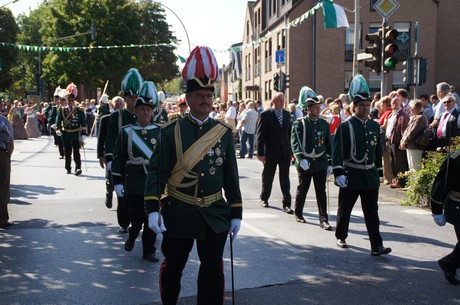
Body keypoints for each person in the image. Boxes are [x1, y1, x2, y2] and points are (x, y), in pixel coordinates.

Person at [144, 46, 242, 305]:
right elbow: (156, 174)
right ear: (187, 98)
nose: (206, 101)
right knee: (174, 267)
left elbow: (231, 177)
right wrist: (153, 209)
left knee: (212, 271)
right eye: (199, 95)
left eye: (209, 96)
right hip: (179, 212)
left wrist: (236, 212)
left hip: (214, 214)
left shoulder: (222, 132)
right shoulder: (170, 132)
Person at [332, 74, 391, 256]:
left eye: (368, 105)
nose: (366, 108)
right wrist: (338, 172)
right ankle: (341, 235)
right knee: (345, 209)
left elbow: (377, 150)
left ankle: (376, 245)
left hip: (369, 176)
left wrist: (380, 172)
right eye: (362, 106)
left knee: (372, 212)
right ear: (354, 107)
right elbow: (338, 152)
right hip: (351, 174)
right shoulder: (345, 126)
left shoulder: (374, 127)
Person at [112, 81, 160, 262]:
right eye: (142, 109)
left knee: (151, 217)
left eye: (148, 109)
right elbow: (118, 157)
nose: (145, 112)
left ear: (152, 111)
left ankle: (149, 250)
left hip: (153, 181)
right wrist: (117, 181)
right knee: (137, 216)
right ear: (136, 111)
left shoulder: (160, 132)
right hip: (134, 181)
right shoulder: (126, 132)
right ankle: (133, 233)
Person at [105, 68, 144, 234]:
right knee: (123, 198)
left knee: (140, 198)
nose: (133, 100)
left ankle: (140, 223)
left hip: (140, 165)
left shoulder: (144, 115)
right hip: (123, 163)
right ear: (125, 98)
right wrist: (110, 160)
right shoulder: (117, 116)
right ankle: (124, 223)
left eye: (136, 97)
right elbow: (110, 139)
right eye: (130, 97)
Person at [291, 86, 332, 229]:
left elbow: (328, 144)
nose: (318, 109)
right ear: (308, 108)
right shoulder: (299, 123)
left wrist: (330, 162)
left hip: (320, 162)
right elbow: (295, 141)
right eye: (315, 107)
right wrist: (299, 158)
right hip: (305, 161)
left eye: (319, 107)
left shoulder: (323, 124)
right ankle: (298, 212)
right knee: (303, 188)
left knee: (321, 191)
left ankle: (324, 219)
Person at [256, 91, 293, 213]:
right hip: (271, 152)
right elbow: (261, 135)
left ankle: (287, 204)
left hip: (284, 152)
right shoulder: (266, 115)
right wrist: (260, 153)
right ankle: (264, 198)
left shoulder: (287, 114)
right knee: (268, 177)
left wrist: (292, 151)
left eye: (283, 100)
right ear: (273, 101)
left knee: (285, 179)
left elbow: (289, 134)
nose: (282, 102)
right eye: (279, 100)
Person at [431, 149, 460, 285]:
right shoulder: (456, 158)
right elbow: (441, 184)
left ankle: (450, 263)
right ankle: (449, 263)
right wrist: (436, 210)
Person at [97, 96, 125, 209]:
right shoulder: (106, 119)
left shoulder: (127, 118)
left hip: (123, 156)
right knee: (110, 179)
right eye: (116, 104)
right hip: (110, 154)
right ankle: (109, 194)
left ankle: (121, 204)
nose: (118, 106)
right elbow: (101, 139)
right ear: (112, 105)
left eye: (121, 104)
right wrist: (100, 155)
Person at [56, 82, 87, 176]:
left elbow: (83, 122)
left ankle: (78, 168)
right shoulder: (62, 110)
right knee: (68, 152)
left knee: (76, 152)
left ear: (74, 101)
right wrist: (58, 129)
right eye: (68, 100)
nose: (70, 102)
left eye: (71, 100)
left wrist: (83, 133)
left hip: (76, 133)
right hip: (66, 133)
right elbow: (59, 120)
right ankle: (68, 168)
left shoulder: (79, 110)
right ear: (66, 101)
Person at [386, 96, 409, 188]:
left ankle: (401, 182)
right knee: (393, 163)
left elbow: (404, 129)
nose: (394, 104)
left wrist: (403, 141)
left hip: (397, 142)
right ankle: (396, 180)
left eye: (396, 102)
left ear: (400, 104)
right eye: (393, 102)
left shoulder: (403, 115)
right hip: (390, 141)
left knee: (399, 163)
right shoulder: (392, 114)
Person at [399, 99, 429, 171]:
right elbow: (407, 130)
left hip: (416, 146)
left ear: (416, 108)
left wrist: (404, 141)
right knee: (411, 167)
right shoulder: (414, 117)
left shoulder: (421, 117)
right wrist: (402, 140)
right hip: (411, 146)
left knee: (416, 168)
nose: (410, 109)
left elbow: (412, 131)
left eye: (411, 107)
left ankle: (416, 182)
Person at [0, 113, 14, 228]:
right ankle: (2, 219)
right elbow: (9, 141)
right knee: (3, 188)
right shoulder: (3, 120)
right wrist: (8, 156)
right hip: (1, 155)